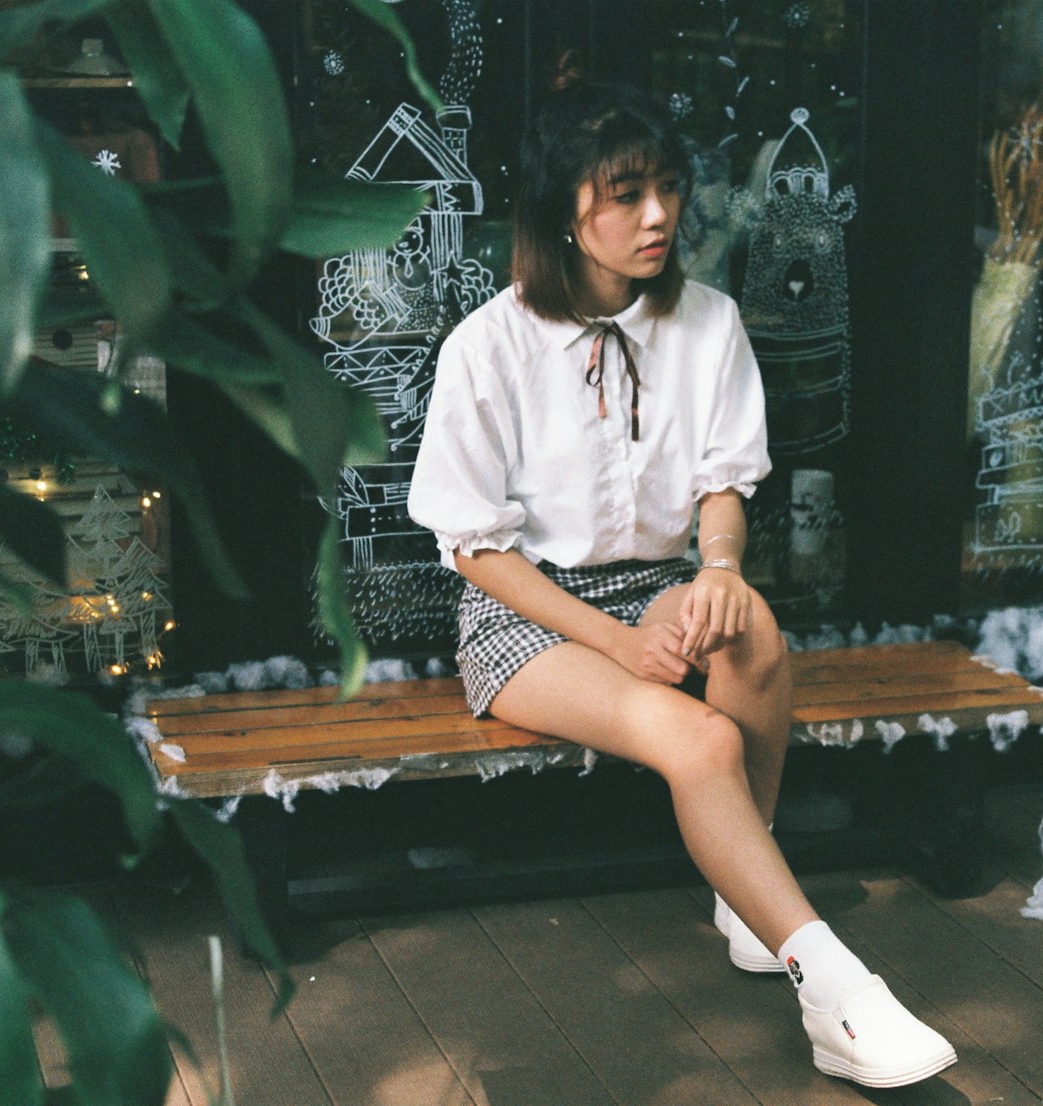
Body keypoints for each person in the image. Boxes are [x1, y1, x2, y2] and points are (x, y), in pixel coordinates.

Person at [407, 79, 956, 1090]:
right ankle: (832, 987)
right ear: (559, 210)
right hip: (526, 611)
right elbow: (477, 549)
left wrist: (715, 568)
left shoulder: (707, 321)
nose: (657, 215)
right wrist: (616, 643)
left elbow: (721, 485)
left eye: (665, 186)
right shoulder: (487, 347)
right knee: (699, 737)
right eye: (623, 193)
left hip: (662, 580)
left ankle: (744, 898)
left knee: (749, 630)